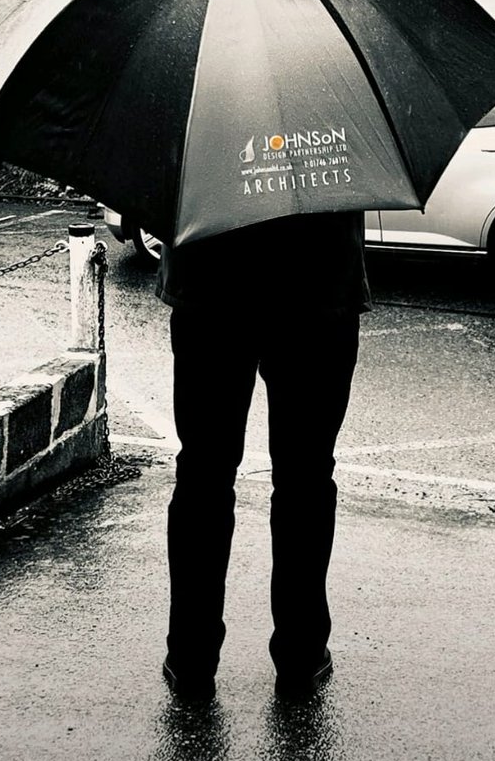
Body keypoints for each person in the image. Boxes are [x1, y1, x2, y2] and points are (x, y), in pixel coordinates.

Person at [156, 210, 371, 703]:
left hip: (209, 282)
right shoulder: (331, 127)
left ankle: (191, 656)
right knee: (306, 477)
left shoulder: (197, 130)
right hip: (318, 284)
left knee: (204, 474)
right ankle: (301, 653)